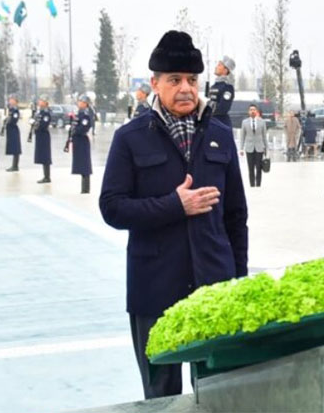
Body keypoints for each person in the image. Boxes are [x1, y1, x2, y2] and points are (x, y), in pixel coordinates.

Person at [99, 30, 247, 400]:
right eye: (175, 80)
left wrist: (239, 282)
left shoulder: (220, 135)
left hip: (214, 287)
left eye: (192, 80)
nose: (185, 88)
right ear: (155, 83)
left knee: (217, 392)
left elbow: (236, 217)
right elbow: (112, 207)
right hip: (154, 289)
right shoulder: (130, 138)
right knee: (161, 396)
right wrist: (174, 205)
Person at [68, 95, 93, 194]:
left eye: (80, 102)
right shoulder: (79, 113)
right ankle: (83, 188)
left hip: (82, 141)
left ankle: (85, 189)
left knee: (85, 166)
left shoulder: (86, 114)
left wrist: (75, 131)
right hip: (78, 141)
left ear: (85, 103)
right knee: (81, 165)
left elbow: (83, 128)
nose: (79, 103)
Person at [239, 104, 268, 187]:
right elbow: (242, 136)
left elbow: (264, 136)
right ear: (249, 112)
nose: (252, 111)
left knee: (259, 168)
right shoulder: (244, 122)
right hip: (249, 148)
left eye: (254, 109)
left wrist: (267, 148)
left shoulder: (262, 122)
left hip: (259, 148)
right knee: (250, 168)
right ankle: (252, 185)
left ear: (256, 111)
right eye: (251, 110)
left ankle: (258, 185)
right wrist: (241, 148)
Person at [207, 56, 236, 128]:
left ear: (225, 70)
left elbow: (223, 108)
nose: (216, 67)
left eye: (219, 65)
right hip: (210, 121)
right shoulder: (214, 86)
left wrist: (209, 108)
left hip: (220, 124)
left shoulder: (227, 87)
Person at [31, 95, 53, 183]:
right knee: (42, 156)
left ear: (45, 102)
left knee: (45, 157)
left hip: (44, 135)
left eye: (41, 101)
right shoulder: (39, 112)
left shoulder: (46, 113)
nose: (39, 102)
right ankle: (45, 176)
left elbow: (44, 124)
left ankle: (47, 177)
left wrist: (37, 127)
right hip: (39, 135)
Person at [4, 95, 22, 172]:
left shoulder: (15, 110)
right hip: (10, 130)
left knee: (16, 149)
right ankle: (14, 165)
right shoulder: (10, 109)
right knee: (13, 148)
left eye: (12, 99)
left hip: (13, 130)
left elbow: (14, 120)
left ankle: (15, 166)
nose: (10, 101)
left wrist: (8, 121)